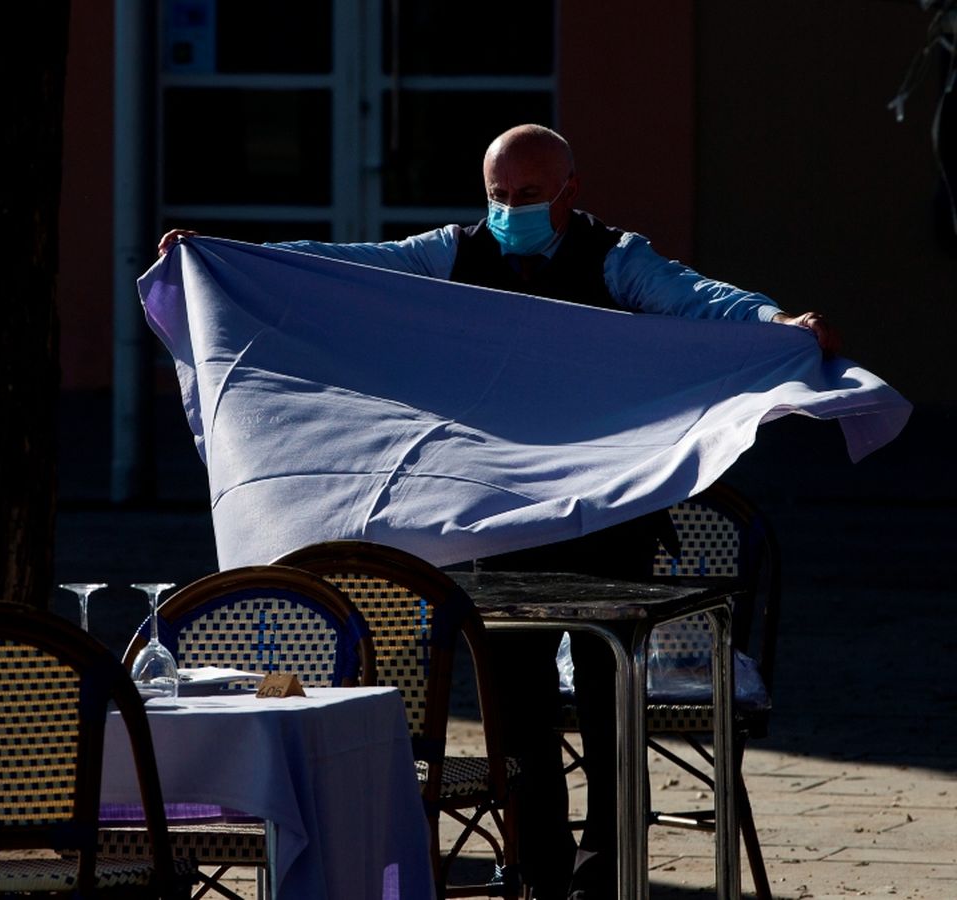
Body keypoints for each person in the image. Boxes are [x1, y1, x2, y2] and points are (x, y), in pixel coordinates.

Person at [159, 124, 839, 900]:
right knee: (516, 716)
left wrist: (773, 325)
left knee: (611, 705)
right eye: (499, 195)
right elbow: (349, 270)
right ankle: (542, 879)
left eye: (529, 196)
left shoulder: (617, 257)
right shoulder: (453, 251)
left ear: (570, 192)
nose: (510, 210)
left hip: (603, 518)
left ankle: (609, 879)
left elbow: (700, 300)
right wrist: (227, 255)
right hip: (498, 520)